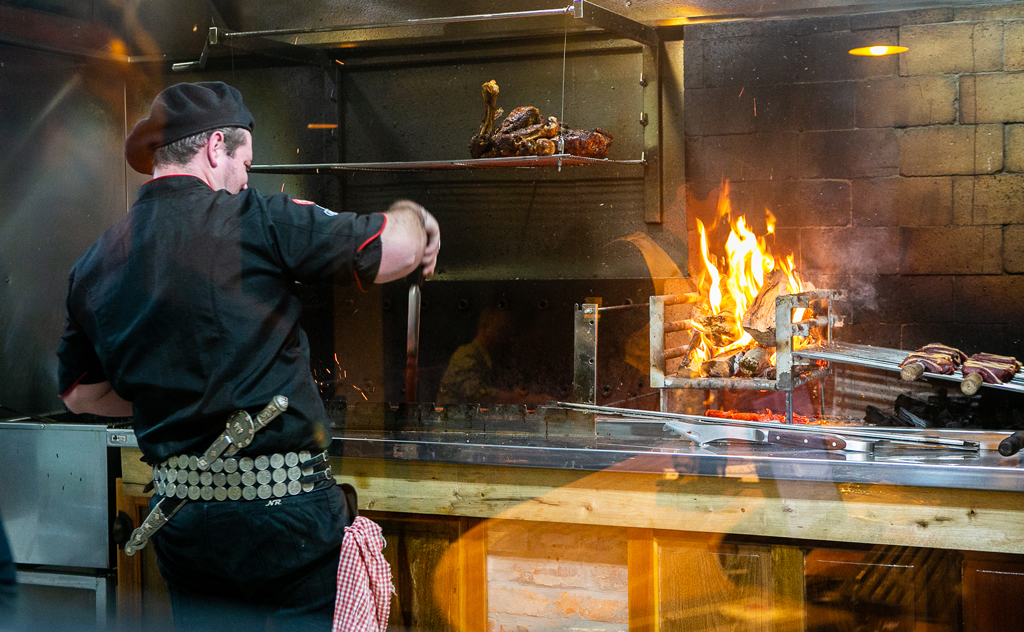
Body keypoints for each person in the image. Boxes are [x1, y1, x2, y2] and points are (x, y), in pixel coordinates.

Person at [56, 82, 439, 631]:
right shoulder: (259, 218)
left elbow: (79, 394)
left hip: (184, 525)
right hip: (287, 527)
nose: (243, 180)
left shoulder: (95, 262)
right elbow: (396, 249)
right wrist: (414, 216)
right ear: (216, 147)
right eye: (245, 164)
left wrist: (172, 393)